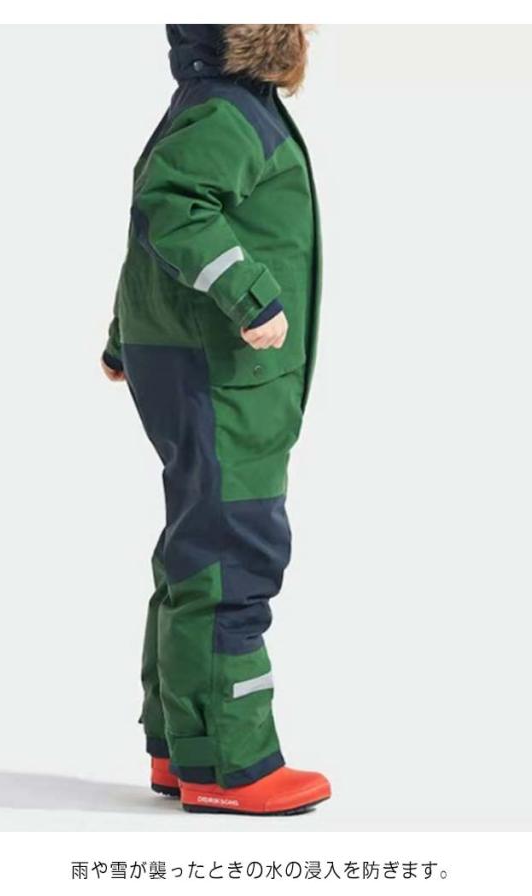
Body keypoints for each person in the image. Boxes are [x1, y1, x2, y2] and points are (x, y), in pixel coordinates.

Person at [101, 24, 328, 815]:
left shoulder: (210, 103)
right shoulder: (230, 111)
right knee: (234, 548)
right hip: (226, 369)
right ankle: (234, 766)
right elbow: (173, 208)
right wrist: (250, 295)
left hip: (193, 355)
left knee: (196, 545)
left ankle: (182, 748)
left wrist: (121, 337)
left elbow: (150, 232)